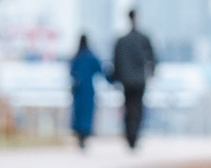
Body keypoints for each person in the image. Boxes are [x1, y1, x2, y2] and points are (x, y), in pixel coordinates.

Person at [108, 10, 157, 151]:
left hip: (127, 81)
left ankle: (130, 137)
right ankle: (134, 137)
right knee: (137, 109)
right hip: (139, 80)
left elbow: (115, 61)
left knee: (128, 108)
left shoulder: (121, 40)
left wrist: (116, 78)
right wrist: (152, 73)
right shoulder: (143, 38)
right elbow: (152, 57)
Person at [67, 34, 103, 150]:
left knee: (79, 114)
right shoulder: (91, 57)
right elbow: (100, 69)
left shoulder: (76, 57)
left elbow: (71, 71)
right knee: (87, 114)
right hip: (88, 91)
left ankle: (80, 136)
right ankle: (85, 135)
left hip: (78, 90)